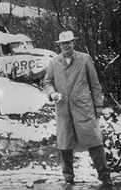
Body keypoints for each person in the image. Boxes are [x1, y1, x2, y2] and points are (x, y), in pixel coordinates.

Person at [43, 31, 113, 187]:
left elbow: (95, 85)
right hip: (63, 109)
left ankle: (105, 177)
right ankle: (68, 178)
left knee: (94, 142)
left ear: (73, 43)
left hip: (84, 108)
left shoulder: (84, 59)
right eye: (63, 43)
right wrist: (52, 93)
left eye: (69, 42)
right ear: (59, 45)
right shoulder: (54, 62)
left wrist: (99, 105)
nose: (66, 46)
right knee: (65, 144)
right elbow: (47, 82)